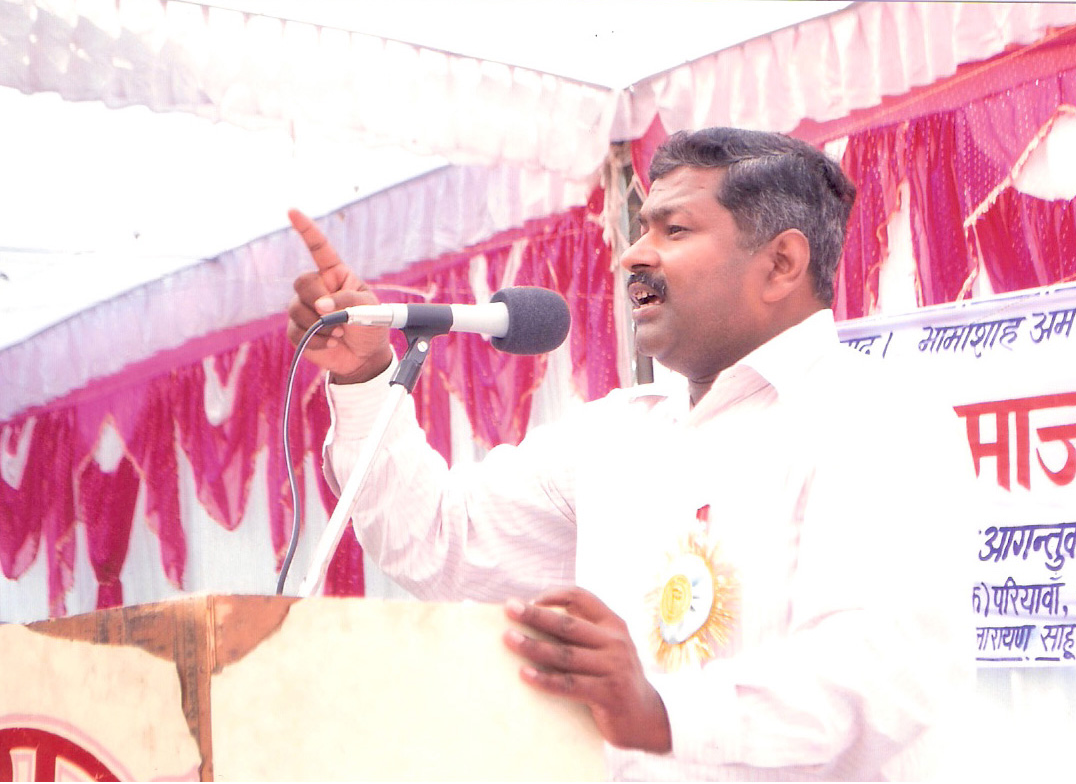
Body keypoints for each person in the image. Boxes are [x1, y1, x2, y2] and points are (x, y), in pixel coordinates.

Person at [286, 127, 973, 780]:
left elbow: (877, 675)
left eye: (675, 230)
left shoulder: (876, 418)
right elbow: (438, 540)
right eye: (642, 227)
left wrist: (662, 710)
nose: (632, 256)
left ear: (781, 264)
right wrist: (365, 373)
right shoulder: (617, 437)